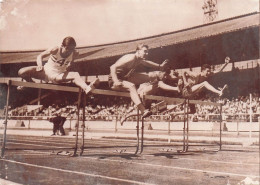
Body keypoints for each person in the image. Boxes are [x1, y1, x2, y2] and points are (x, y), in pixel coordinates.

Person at [18, 36, 99, 94]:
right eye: (67, 49)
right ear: (62, 46)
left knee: (75, 74)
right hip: (45, 71)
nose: (69, 51)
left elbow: (71, 62)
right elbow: (40, 56)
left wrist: (69, 65)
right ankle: (30, 83)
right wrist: (39, 65)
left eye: (72, 49)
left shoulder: (75, 53)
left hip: (59, 75)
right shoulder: (56, 49)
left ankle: (87, 88)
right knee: (22, 72)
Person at [109, 43, 168, 118]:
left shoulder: (139, 59)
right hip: (114, 79)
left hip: (126, 77)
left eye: (147, 52)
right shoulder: (131, 58)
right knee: (132, 86)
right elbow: (112, 67)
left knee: (152, 75)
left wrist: (160, 66)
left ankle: (146, 95)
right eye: (145, 51)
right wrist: (116, 81)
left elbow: (147, 63)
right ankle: (143, 110)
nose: (147, 54)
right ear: (138, 51)